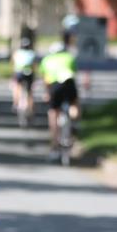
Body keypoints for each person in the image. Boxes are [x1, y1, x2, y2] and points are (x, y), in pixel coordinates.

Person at [39, 32, 79, 161]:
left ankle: (54, 145)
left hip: (55, 86)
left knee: (53, 114)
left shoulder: (47, 60)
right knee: (74, 103)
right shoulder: (69, 57)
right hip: (69, 83)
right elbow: (74, 72)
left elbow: (46, 80)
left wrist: (47, 93)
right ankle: (75, 122)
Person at [10, 37, 36, 112]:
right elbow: (33, 65)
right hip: (29, 72)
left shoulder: (17, 53)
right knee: (29, 91)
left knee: (17, 87)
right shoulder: (32, 53)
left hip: (19, 72)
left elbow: (12, 63)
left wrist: (13, 73)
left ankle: (15, 103)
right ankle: (30, 108)